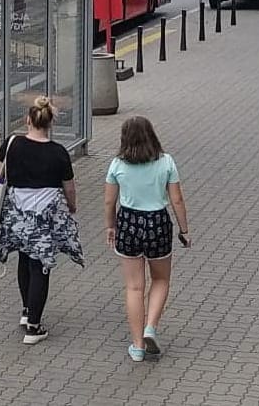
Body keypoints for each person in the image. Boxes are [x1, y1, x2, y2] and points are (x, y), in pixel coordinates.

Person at [0, 96, 84, 345]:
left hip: (17, 215)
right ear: (50, 123)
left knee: (24, 258)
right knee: (40, 265)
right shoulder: (59, 153)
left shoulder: (12, 144)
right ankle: (34, 327)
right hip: (45, 218)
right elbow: (69, 188)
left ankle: (26, 310)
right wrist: (72, 207)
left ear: (28, 120)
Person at [104, 117, 189, 361]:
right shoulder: (166, 161)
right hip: (158, 223)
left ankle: (138, 346)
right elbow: (177, 199)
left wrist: (110, 226)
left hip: (128, 223)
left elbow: (109, 201)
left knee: (134, 287)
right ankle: (150, 327)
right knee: (160, 279)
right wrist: (184, 229)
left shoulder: (117, 164)